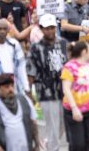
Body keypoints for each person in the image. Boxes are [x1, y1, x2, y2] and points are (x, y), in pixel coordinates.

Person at [27, 13, 68, 151]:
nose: (50, 30)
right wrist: (29, 93)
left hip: (64, 90)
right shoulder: (36, 48)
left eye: (52, 27)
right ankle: (52, 148)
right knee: (52, 126)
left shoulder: (63, 43)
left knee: (64, 123)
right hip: (46, 91)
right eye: (47, 28)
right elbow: (30, 72)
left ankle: (47, 144)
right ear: (41, 29)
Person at [0, 73, 40, 151]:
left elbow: (33, 122)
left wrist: (37, 144)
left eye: (12, 86)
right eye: (7, 87)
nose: (10, 89)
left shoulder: (24, 100)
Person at [61, 41, 89, 151]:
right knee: (78, 144)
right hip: (74, 109)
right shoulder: (69, 67)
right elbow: (66, 88)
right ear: (84, 52)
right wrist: (74, 108)